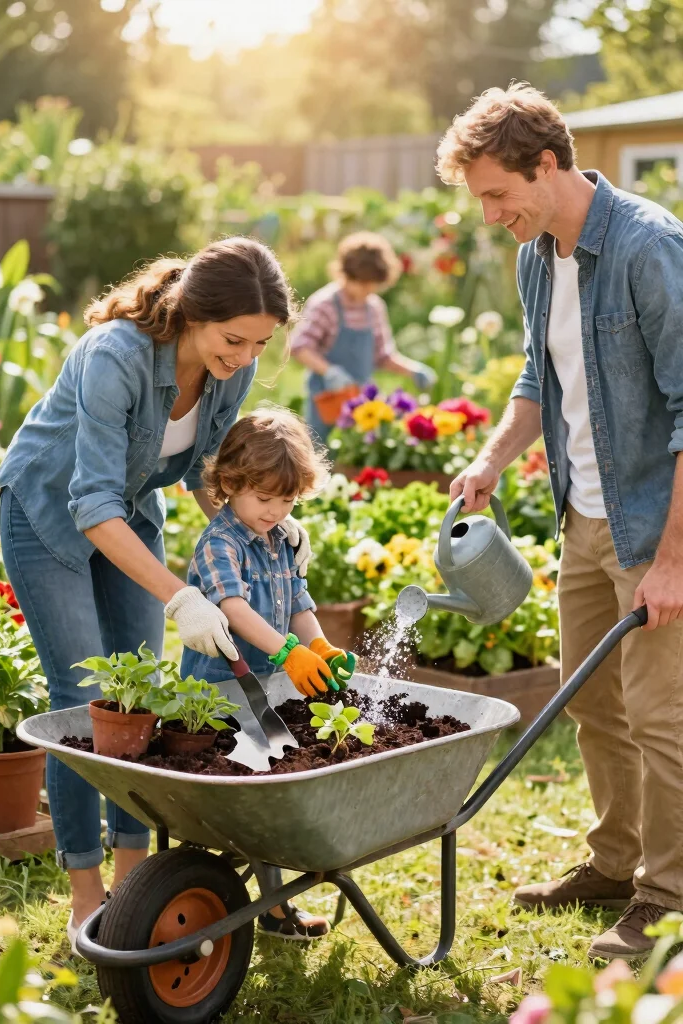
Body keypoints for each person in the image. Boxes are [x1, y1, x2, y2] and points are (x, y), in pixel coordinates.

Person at [0, 237, 312, 952]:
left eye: (261, 342)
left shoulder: (230, 370)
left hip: (129, 513)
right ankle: (86, 899)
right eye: (234, 339)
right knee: (85, 709)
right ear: (194, 315)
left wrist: (266, 529)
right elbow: (90, 502)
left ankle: (133, 888)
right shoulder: (117, 355)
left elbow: (207, 473)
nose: (246, 356)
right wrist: (182, 597)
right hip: (49, 514)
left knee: (140, 704)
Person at [437, 83, 683, 961]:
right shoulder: (539, 255)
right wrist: (491, 460)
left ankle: (667, 898)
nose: (491, 214)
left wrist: (671, 562)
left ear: (548, 164)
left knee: (662, 716)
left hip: (657, 528)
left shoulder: (649, 249)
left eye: (498, 194)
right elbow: (538, 382)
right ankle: (615, 863)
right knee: (595, 708)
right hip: (584, 515)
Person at [182, 406, 357, 939]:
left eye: (288, 500)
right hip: (219, 692)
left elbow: (298, 600)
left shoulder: (282, 537)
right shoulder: (220, 543)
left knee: (269, 791)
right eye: (264, 498)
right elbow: (233, 609)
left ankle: (272, 906)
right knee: (243, 801)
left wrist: (318, 644)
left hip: (267, 691)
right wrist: (286, 653)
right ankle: (220, 894)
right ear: (229, 483)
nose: (275, 511)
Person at [291, 231, 436, 443]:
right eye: (363, 283)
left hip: (361, 401)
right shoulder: (325, 304)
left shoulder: (374, 307)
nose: (369, 289)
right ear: (347, 274)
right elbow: (299, 347)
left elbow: (383, 356)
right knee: (321, 451)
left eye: (373, 284)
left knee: (355, 455)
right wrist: (330, 372)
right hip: (326, 398)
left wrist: (413, 370)